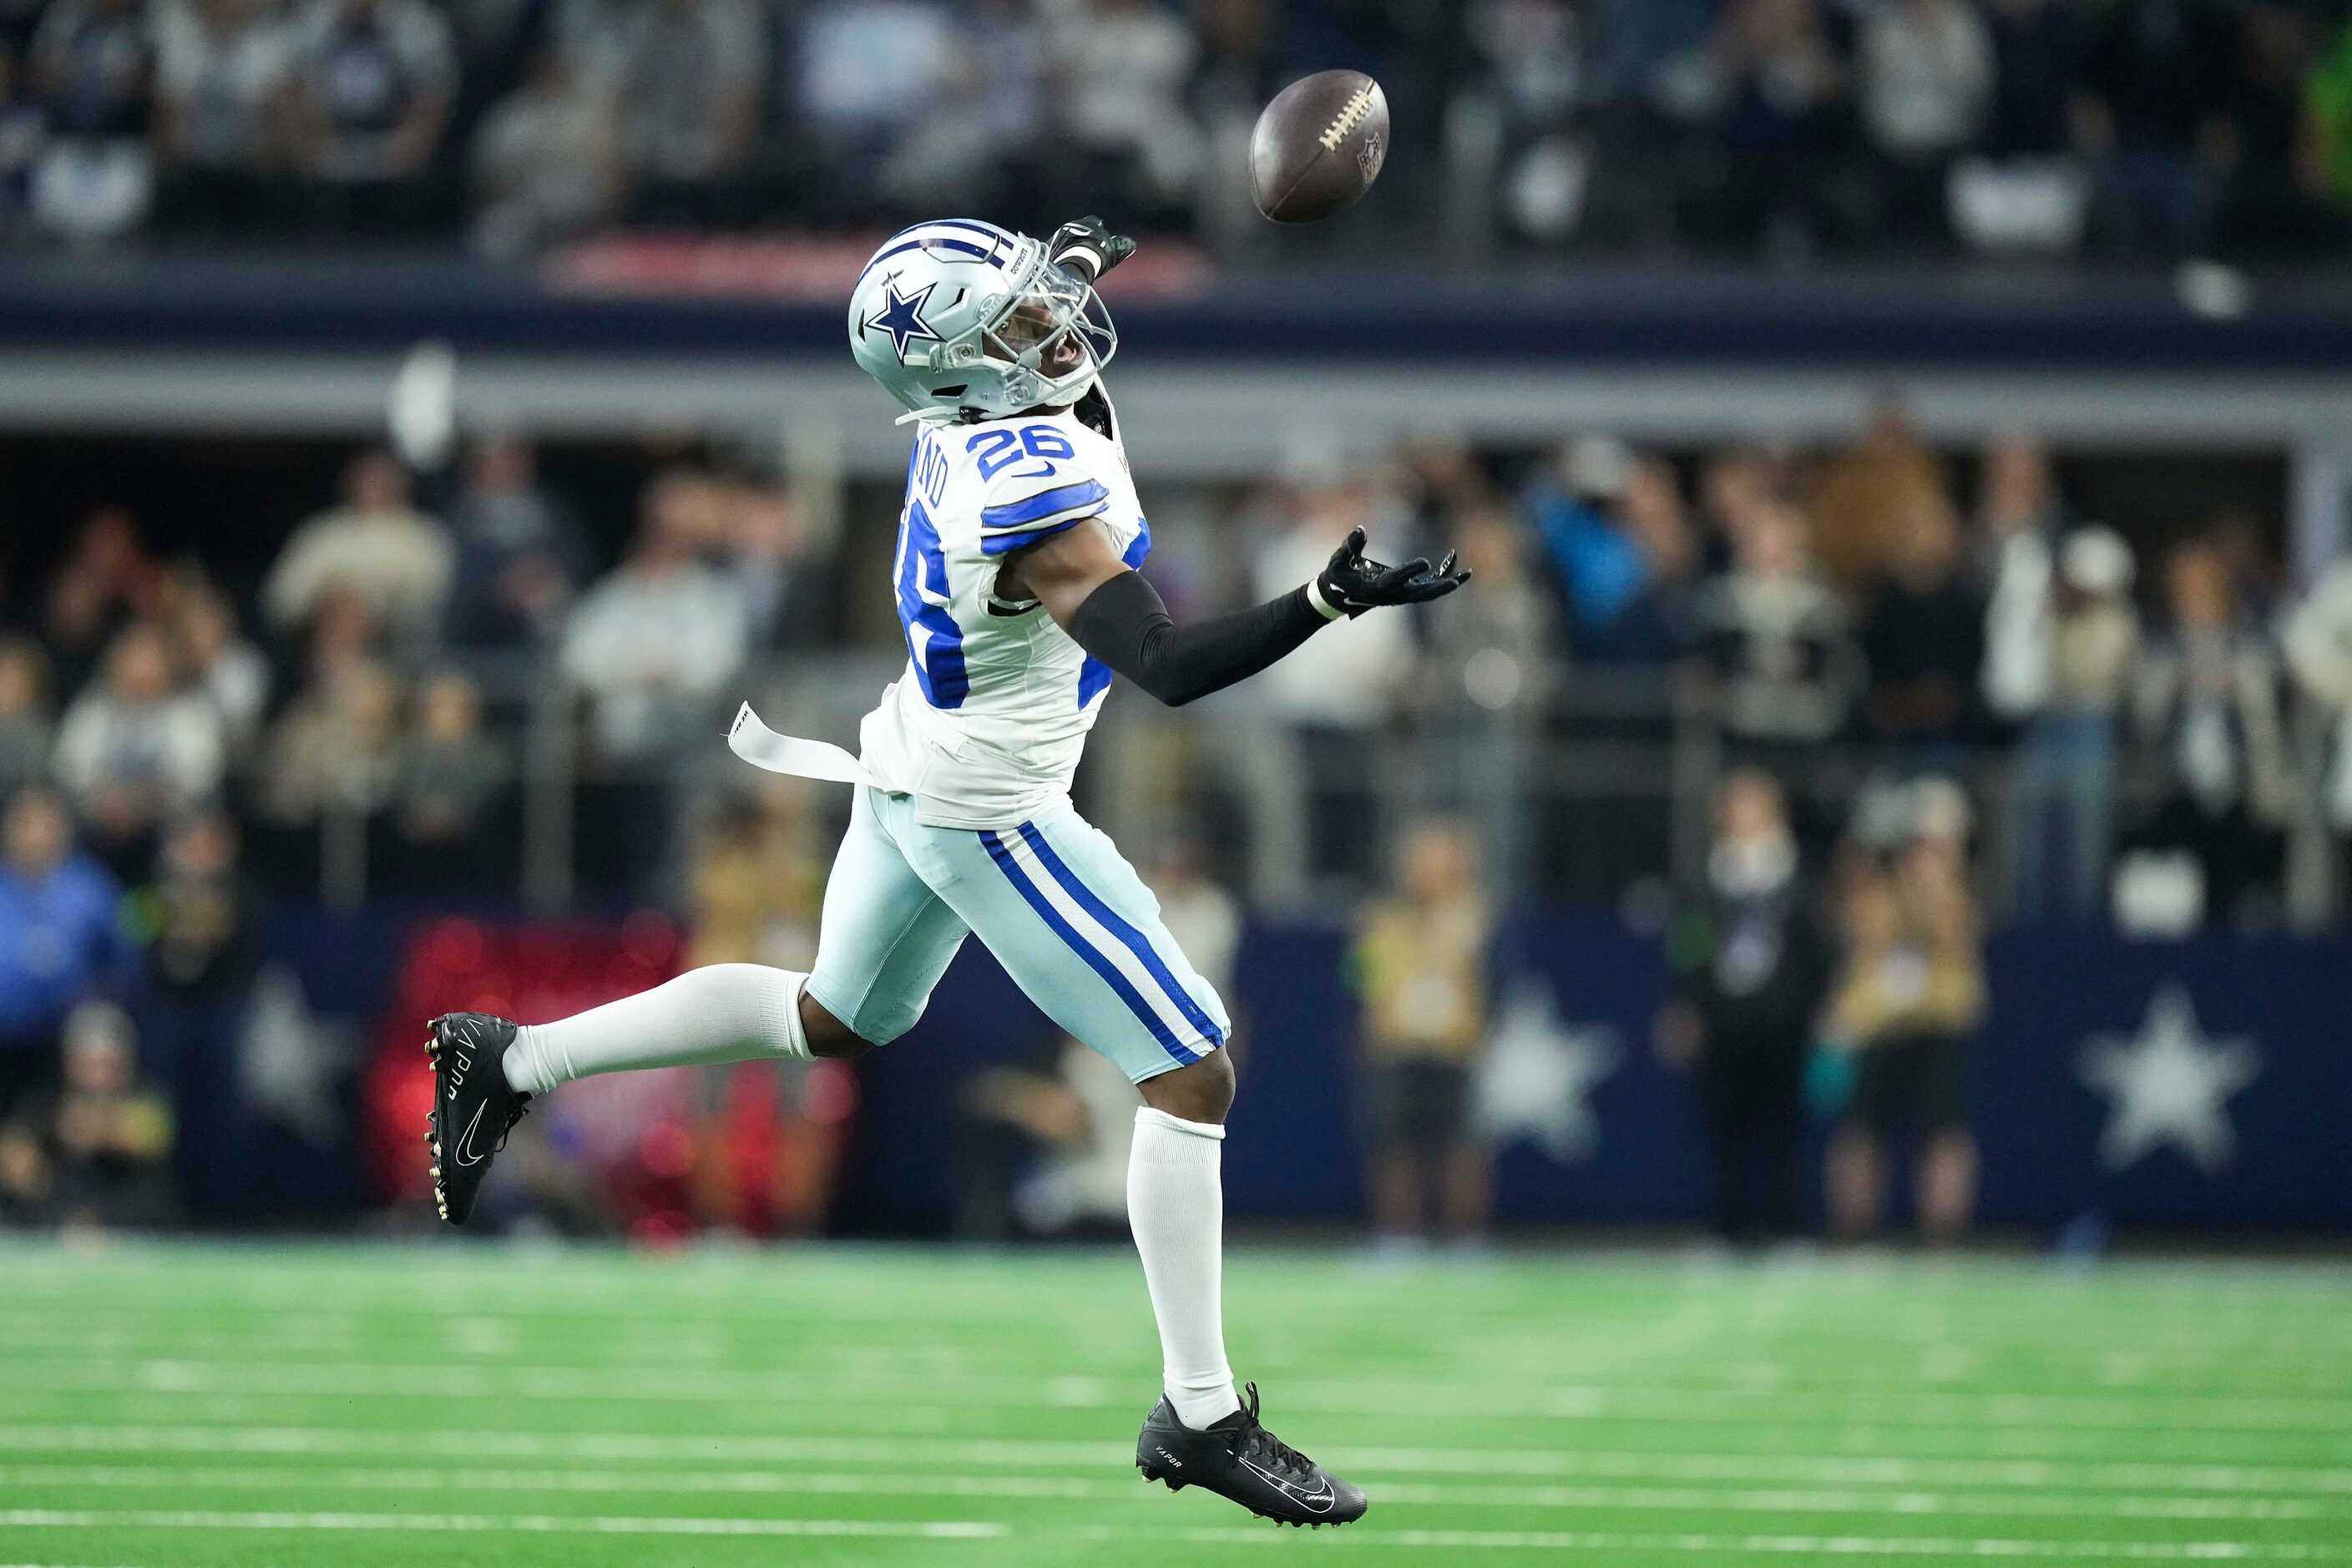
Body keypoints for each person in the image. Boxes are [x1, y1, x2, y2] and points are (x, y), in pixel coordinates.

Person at [424, 216, 1469, 1529]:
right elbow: (1172, 667)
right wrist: (1322, 601)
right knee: (1193, 1065)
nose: (1057, 329)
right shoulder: (1018, 489)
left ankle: (509, 1060)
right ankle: (1200, 1411)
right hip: (992, 808)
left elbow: (1045, 372)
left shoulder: (961, 413)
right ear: (968, 374)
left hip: (912, 755)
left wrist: (1054, 273)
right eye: (1021, 320)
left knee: (832, 1016)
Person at [1656, 769, 1830, 1247]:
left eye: (1754, 806)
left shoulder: (1797, 876)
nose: (1744, 817)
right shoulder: (1705, 879)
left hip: (1782, 1019)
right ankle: (1725, 1228)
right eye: (1736, 806)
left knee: (1783, 1129)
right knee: (1723, 1128)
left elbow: (1817, 950)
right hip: (1724, 1019)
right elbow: (1689, 947)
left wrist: (1821, 1007)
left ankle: (1786, 1229)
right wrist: (1685, 1006)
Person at [1821, 788, 1986, 1242]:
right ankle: (1853, 1233)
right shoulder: (1873, 894)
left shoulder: (1954, 895)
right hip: (1880, 1028)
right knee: (1861, 1133)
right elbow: (1861, 937)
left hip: (1937, 1026)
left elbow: (1956, 945)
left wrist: (1933, 881)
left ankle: (1943, 1234)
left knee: (1944, 1133)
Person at [1349, 817, 1493, 1257]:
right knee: (1393, 1145)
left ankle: (1466, 1237)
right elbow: (1361, 978)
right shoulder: (1380, 918)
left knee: (1462, 1145)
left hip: (1454, 1048)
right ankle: (1397, 1235)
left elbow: (1492, 980)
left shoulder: (1474, 916)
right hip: (1397, 1046)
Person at [0, 787, 132, 1130]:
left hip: (63, 1047)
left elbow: (125, 951)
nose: (36, 837)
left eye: (47, 825)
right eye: (26, 825)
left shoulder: (91, 888)